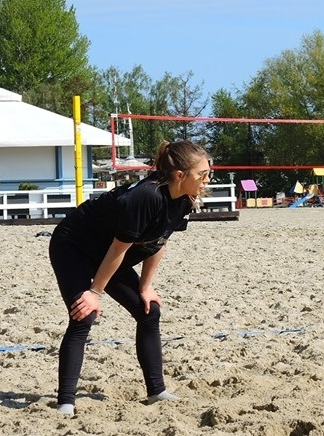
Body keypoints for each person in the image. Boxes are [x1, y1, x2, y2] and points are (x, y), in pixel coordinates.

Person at [48, 139, 212, 415]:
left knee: (149, 310)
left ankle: (156, 392)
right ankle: (65, 402)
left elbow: (160, 241)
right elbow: (117, 248)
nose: (207, 180)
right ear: (180, 175)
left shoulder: (184, 199)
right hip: (73, 245)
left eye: (209, 173)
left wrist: (146, 286)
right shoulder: (146, 197)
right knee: (84, 314)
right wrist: (94, 293)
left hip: (109, 251)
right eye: (202, 174)